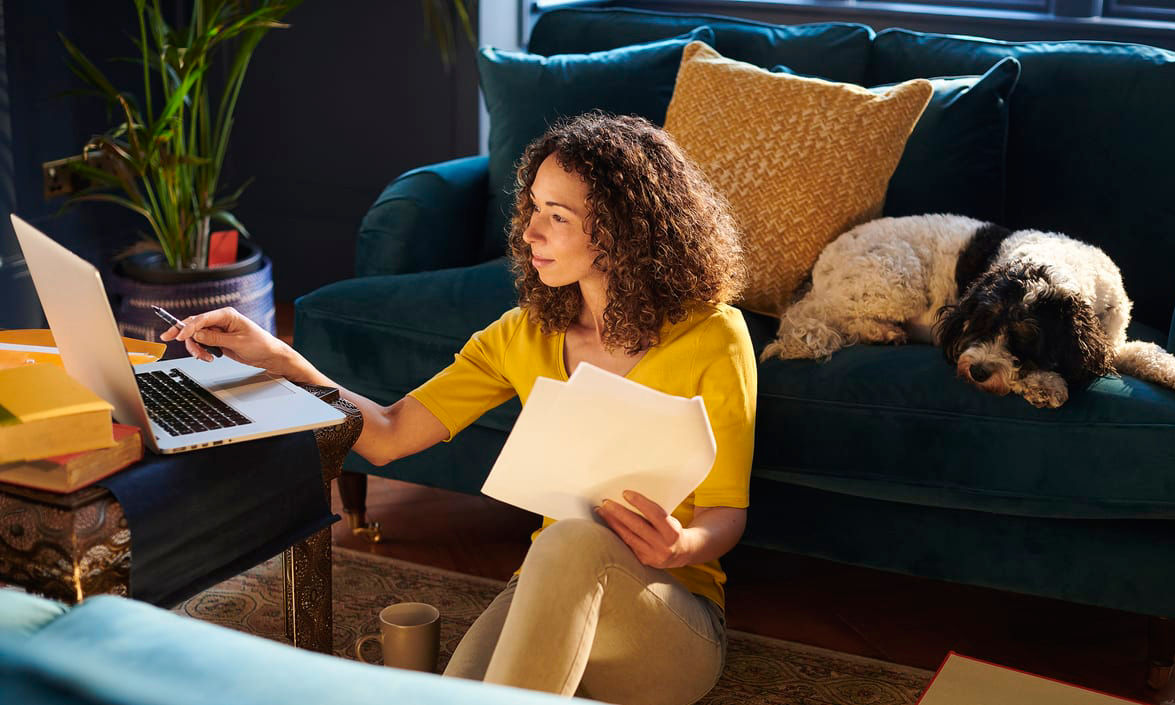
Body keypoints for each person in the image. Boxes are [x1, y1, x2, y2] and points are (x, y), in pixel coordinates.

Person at [162, 112, 756, 705]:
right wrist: (279, 359)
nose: (530, 234)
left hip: (669, 622)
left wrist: (681, 546)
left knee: (575, 538)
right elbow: (390, 435)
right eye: (533, 209)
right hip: (547, 591)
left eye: (558, 217)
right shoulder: (522, 334)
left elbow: (726, 512)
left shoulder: (713, 337)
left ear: (623, 231)